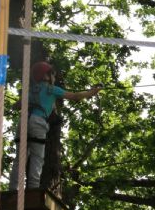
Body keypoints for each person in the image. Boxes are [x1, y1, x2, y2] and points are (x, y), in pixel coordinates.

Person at [9, 61, 102, 191]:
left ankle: (13, 189)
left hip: (23, 121)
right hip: (38, 123)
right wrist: (92, 92)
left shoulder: (32, 90)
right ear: (46, 76)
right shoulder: (52, 89)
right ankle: (33, 190)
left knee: (20, 159)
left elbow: (16, 106)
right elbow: (75, 96)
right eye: (52, 74)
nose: (54, 77)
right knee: (37, 157)